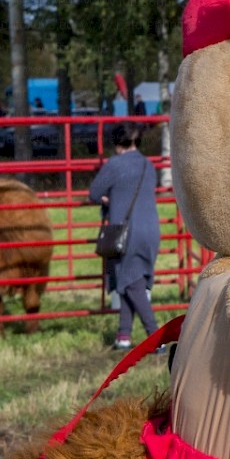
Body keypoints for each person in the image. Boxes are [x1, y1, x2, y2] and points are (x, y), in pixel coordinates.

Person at [89, 123, 161, 349]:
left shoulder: (114, 164)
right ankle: (123, 336)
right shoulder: (148, 166)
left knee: (132, 284)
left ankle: (156, 339)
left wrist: (108, 199)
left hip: (126, 232)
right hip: (150, 230)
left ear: (117, 143)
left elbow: (94, 193)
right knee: (132, 279)